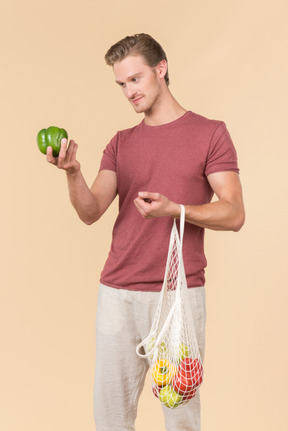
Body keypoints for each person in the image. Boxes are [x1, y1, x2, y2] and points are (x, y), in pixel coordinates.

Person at [46, 33, 245, 431]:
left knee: (180, 414)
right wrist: (73, 173)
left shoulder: (210, 133)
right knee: (111, 417)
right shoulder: (121, 143)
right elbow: (91, 211)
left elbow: (234, 213)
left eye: (135, 79)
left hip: (177, 298)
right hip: (117, 294)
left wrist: (178, 210)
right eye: (121, 84)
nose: (128, 92)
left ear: (161, 69)